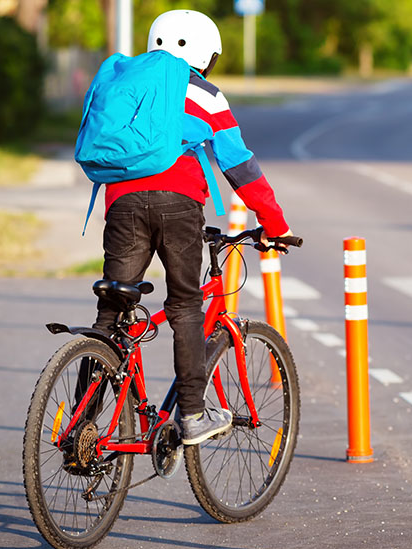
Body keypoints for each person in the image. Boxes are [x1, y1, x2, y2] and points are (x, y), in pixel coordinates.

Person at [91, 9, 293, 445]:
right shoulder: (206, 94)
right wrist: (274, 223)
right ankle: (194, 414)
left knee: (112, 308)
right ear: (206, 54)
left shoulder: (129, 84)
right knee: (184, 305)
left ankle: (84, 417)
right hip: (177, 207)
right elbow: (240, 166)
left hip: (121, 203)